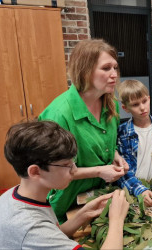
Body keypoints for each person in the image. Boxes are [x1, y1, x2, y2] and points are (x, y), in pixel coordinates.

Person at [0, 120, 129, 249]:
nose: (74, 170)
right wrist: (116, 219)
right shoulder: (30, 227)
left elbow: (52, 234)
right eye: (66, 165)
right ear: (35, 171)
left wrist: (84, 214)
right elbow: (41, 235)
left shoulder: (14, 195)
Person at [38, 39, 129, 223]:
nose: (114, 75)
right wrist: (99, 171)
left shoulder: (111, 104)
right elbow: (50, 171)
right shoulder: (59, 114)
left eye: (115, 68)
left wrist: (115, 154)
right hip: (66, 204)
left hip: (97, 199)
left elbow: (103, 142)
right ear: (85, 71)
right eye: (106, 68)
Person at [116, 79, 152, 207]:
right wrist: (140, 190)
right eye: (135, 104)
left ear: (149, 98)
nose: (142, 107)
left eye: (144, 101)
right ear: (125, 108)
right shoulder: (122, 132)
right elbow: (123, 171)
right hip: (133, 190)